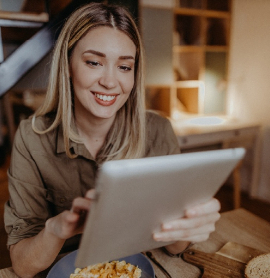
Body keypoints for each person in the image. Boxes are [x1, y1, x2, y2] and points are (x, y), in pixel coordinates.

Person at [4, 2, 220, 277]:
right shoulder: (32, 138)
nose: (110, 81)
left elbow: (176, 249)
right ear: (68, 65)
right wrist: (56, 229)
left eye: (124, 67)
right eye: (94, 62)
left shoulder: (158, 132)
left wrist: (187, 224)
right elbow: (22, 267)